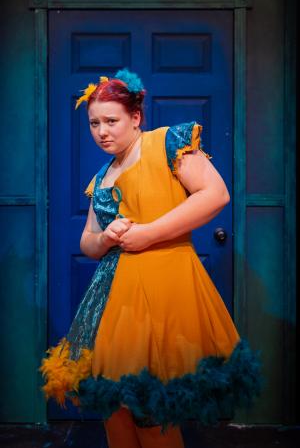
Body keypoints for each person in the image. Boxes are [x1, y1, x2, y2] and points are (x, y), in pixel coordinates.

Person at [39, 69, 263, 448]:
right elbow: (88, 243)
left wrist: (147, 233)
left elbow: (215, 194)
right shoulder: (103, 176)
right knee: (116, 408)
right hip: (112, 301)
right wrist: (105, 237)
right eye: (94, 123)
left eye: (112, 121)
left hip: (163, 285)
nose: (102, 131)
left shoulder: (167, 144)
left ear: (136, 118)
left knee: (150, 408)